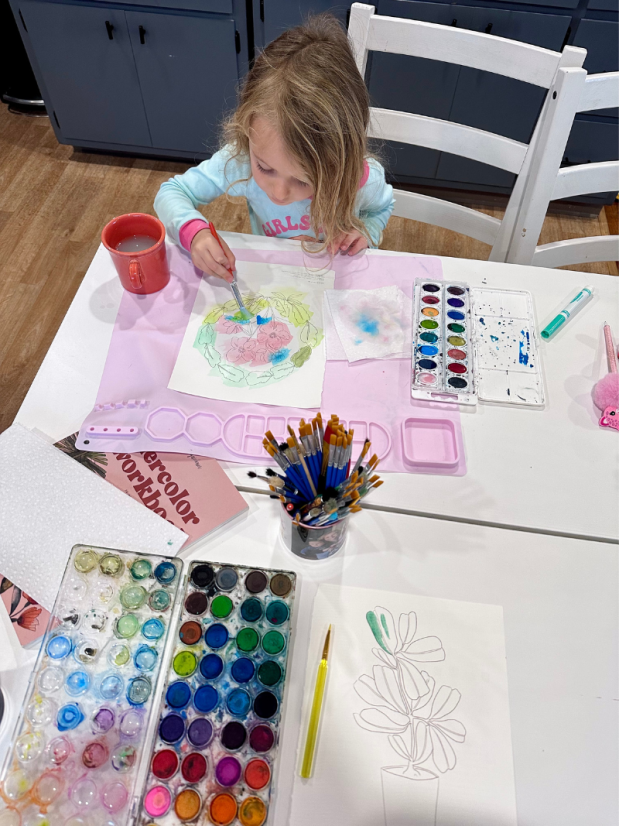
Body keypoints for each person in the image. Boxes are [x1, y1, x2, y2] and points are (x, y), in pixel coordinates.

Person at [155, 14, 394, 282]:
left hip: (337, 284)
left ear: (342, 162)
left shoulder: (361, 179)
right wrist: (194, 233)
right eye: (265, 168)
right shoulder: (242, 161)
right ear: (247, 131)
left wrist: (368, 232)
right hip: (274, 279)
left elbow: (381, 208)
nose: (279, 193)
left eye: (304, 180)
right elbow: (172, 192)